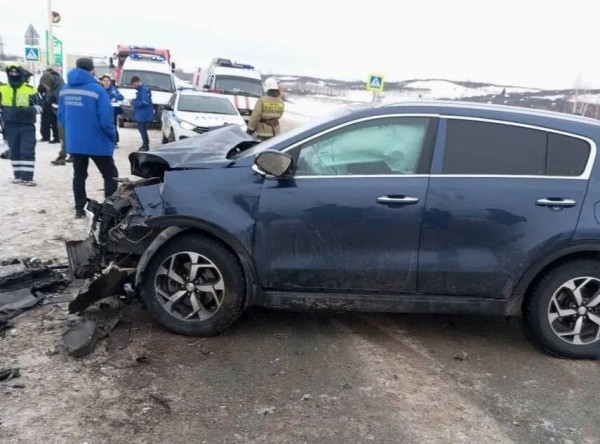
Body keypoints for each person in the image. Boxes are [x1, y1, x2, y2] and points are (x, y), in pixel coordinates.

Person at [58, 57, 118, 218]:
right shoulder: (98, 90)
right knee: (110, 174)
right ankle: (109, 210)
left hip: (76, 142)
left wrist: (73, 132)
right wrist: (112, 135)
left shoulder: (65, 89)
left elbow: (61, 116)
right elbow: (105, 120)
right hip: (97, 141)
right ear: (92, 70)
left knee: (79, 175)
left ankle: (80, 208)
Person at [0, 64, 42, 186]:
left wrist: (30, 110)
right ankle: (18, 175)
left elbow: (41, 105)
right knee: (14, 151)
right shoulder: (2, 89)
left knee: (27, 151)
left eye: (16, 73)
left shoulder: (30, 89)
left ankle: (27, 177)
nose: (14, 75)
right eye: (11, 73)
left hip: (27, 125)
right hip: (10, 126)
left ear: (21, 74)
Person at [39, 68, 71, 166]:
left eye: (45, 85)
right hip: (58, 113)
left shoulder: (62, 87)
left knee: (65, 135)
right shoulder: (51, 87)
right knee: (63, 135)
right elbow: (49, 98)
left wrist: (56, 102)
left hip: (64, 114)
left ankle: (62, 156)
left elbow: (65, 103)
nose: (45, 87)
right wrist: (50, 101)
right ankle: (72, 154)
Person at [130, 76, 154, 151]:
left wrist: (133, 101)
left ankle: (146, 146)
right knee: (141, 130)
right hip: (141, 114)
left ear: (138, 82)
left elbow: (144, 102)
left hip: (144, 114)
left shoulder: (144, 90)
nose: (133, 86)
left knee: (143, 130)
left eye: (134, 84)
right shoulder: (141, 90)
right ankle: (144, 144)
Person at [100, 74, 124, 148]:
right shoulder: (99, 89)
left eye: (107, 81)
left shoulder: (113, 89)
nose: (106, 82)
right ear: (102, 82)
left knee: (113, 126)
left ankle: (115, 141)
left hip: (112, 111)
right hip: (102, 111)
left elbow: (121, 97)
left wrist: (114, 97)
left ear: (110, 82)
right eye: (104, 81)